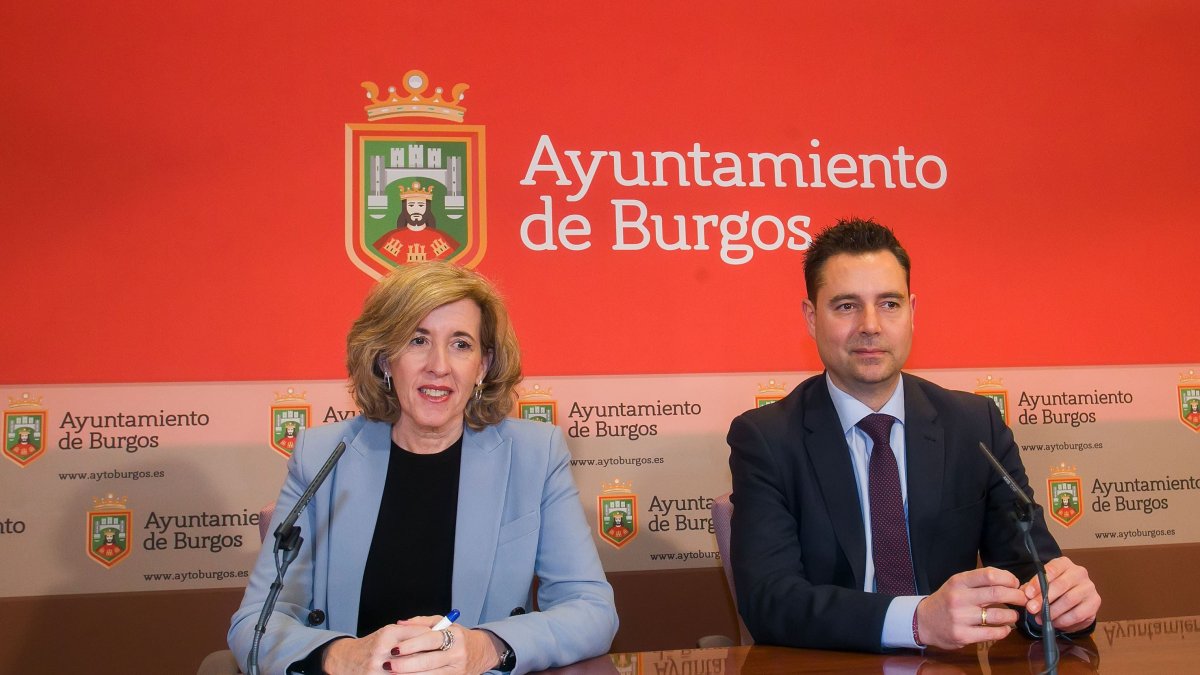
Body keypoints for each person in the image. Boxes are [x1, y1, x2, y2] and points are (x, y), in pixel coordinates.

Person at [727, 218, 1100, 653]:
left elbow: (1027, 569)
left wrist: (1059, 605)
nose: (870, 325)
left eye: (889, 304)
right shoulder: (767, 438)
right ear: (811, 318)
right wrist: (916, 621)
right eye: (846, 306)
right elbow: (770, 601)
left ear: (912, 312)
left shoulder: (974, 425)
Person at [229, 262, 617, 674]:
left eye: (461, 344)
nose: (439, 365)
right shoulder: (323, 455)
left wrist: (486, 647)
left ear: (482, 367)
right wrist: (342, 656)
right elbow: (253, 622)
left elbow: (591, 610)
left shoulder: (534, 456)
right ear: (384, 359)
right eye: (418, 340)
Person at [373, 181, 461, 263]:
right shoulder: (392, 237)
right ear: (405, 208)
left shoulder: (440, 237)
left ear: (427, 208)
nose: (416, 209)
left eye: (421, 205)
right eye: (411, 205)